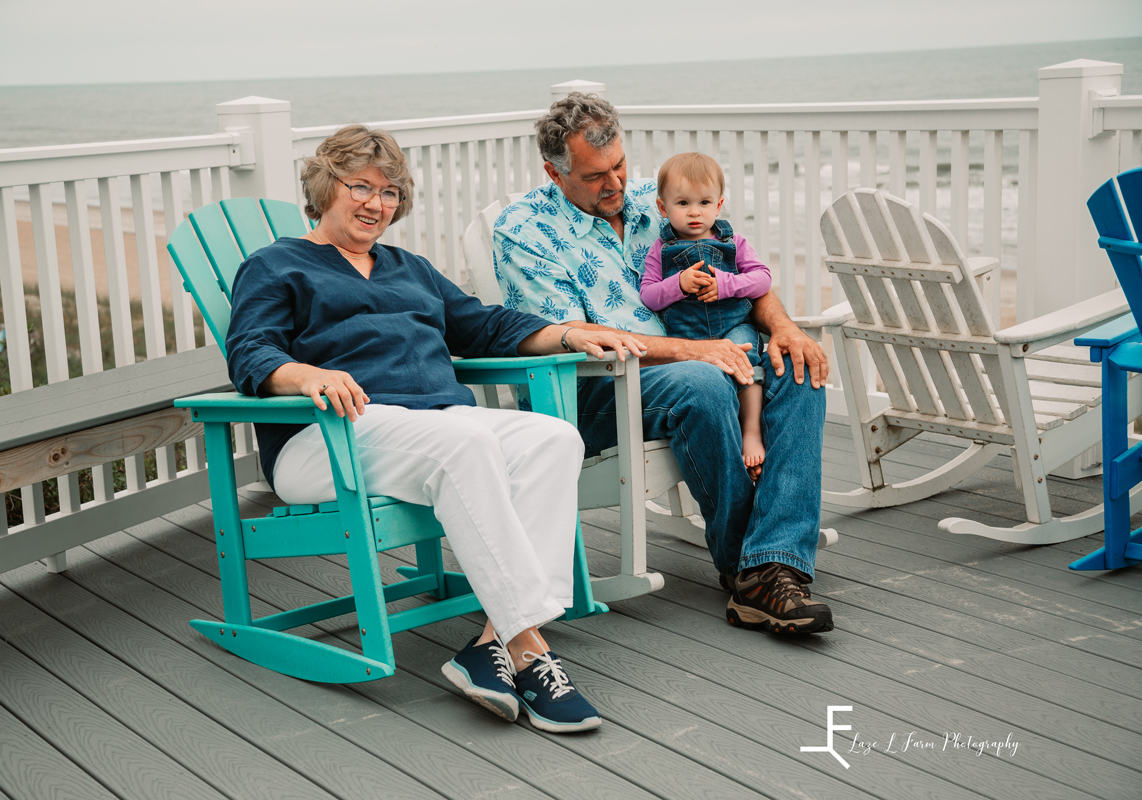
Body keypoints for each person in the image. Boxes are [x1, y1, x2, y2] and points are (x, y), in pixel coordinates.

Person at [226, 124, 645, 732]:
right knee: (466, 442)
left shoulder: (409, 268)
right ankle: (530, 649)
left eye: (391, 191)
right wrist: (305, 375)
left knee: (554, 438)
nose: (376, 203)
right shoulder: (275, 265)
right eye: (361, 187)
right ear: (324, 188)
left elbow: (483, 326)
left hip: (430, 427)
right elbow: (251, 352)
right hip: (326, 436)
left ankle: (490, 644)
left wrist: (570, 334)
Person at [494, 94, 834, 635]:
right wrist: (690, 351)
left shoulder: (661, 198)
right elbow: (569, 340)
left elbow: (739, 270)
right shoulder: (525, 231)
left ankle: (772, 567)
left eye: (620, 166)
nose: (615, 184)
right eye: (594, 176)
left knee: (797, 368)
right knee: (701, 381)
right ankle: (757, 567)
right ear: (554, 174)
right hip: (591, 388)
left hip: (703, 354)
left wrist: (784, 326)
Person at [640, 152, 771, 472]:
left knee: (746, 360)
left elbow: (762, 279)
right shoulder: (661, 249)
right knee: (705, 381)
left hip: (732, 325)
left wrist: (727, 285)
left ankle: (751, 431)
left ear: (719, 205)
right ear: (663, 207)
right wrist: (679, 284)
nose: (694, 212)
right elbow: (648, 295)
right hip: (688, 336)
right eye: (682, 203)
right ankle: (725, 436)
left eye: (704, 203)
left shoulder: (733, 242)